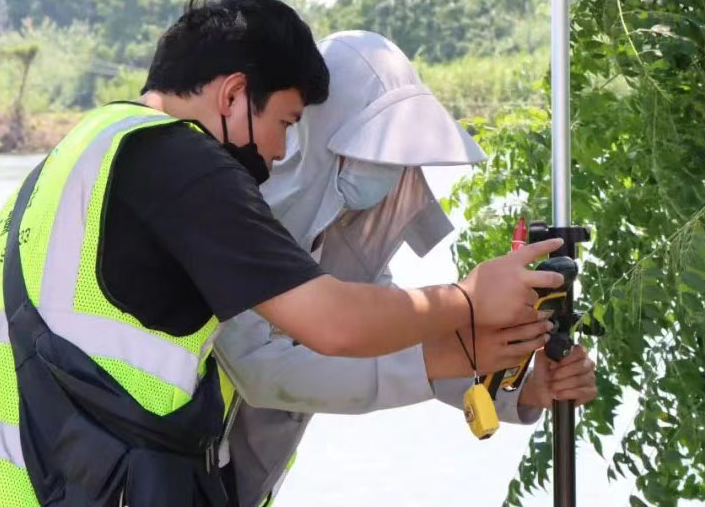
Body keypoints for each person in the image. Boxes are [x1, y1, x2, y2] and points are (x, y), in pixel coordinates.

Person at [0, 0, 565, 507]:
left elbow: (380, 316)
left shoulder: (73, 161)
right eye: (284, 122)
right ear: (232, 96)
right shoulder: (180, 163)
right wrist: (466, 298)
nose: (277, 151)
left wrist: (509, 386)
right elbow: (330, 326)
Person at [215, 30, 597, 507]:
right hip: (171, 471)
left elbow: (392, 330)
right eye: (374, 153)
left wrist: (520, 385)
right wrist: (462, 316)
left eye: (397, 158)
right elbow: (262, 370)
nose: (388, 171)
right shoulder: (236, 220)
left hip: (240, 486)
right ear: (314, 132)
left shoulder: (346, 234)